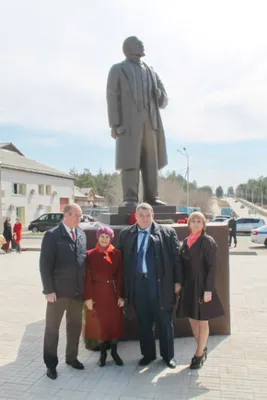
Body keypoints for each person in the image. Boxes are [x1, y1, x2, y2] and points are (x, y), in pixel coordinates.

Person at [118, 203, 183, 369]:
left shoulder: (167, 233)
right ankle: (147, 355)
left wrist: (178, 281)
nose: (145, 219)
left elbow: (177, 259)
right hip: (138, 285)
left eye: (148, 215)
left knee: (164, 322)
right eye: (142, 215)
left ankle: (168, 357)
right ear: (136, 216)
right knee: (144, 322)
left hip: (160, 284)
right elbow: (120, 263)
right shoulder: (126, 234)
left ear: (153, 215)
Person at [107, 36, 168, 206]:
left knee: (151, 162)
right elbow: (112, 97)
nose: (142, 45)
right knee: (130, 161)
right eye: (138, 43)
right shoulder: (118, 69)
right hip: (128, 124)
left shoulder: (151, 72)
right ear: (127, 48)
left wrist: (159, 95)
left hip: (151, 123)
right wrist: (115, 124)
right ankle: (130, 198)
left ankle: (152, 197)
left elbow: (164, 100)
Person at [39, 204, 87, 380]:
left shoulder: (81, 234)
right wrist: (48, 290)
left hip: (77, 293)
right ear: (66, 215)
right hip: (57, 294)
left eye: (80, 215)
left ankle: (72, 358)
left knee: (74, 327)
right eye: (77, 215)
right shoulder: (52, 235)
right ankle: (51, 365)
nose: (79, 218)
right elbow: (45, 265)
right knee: (52, 329)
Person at [177, 212, 224, 369]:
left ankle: (198, 354)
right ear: (189, 224)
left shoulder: (208, 241)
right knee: (192, 319)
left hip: (203, 286)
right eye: (193, 221)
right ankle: (202, 348)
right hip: (188, 286)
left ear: (204, 225)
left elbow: (212, 267)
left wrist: (208, 289)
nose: (196, 224)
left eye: (199, 221)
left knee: (203, 320)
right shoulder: (185, 242)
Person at [84, 226, 124, 367]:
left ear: (111, 238)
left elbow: (120, 276)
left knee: (114, 324)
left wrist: (121, 296)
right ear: (98, 237)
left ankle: (114, 353)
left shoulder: (117, 254)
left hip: (113, 293)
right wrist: (88, 297)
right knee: (100, 324)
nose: (104, 239)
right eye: (102, 236)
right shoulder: (90, 255)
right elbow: (87, 278)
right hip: (97, 293)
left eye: (107, 237)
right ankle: (103, 354)